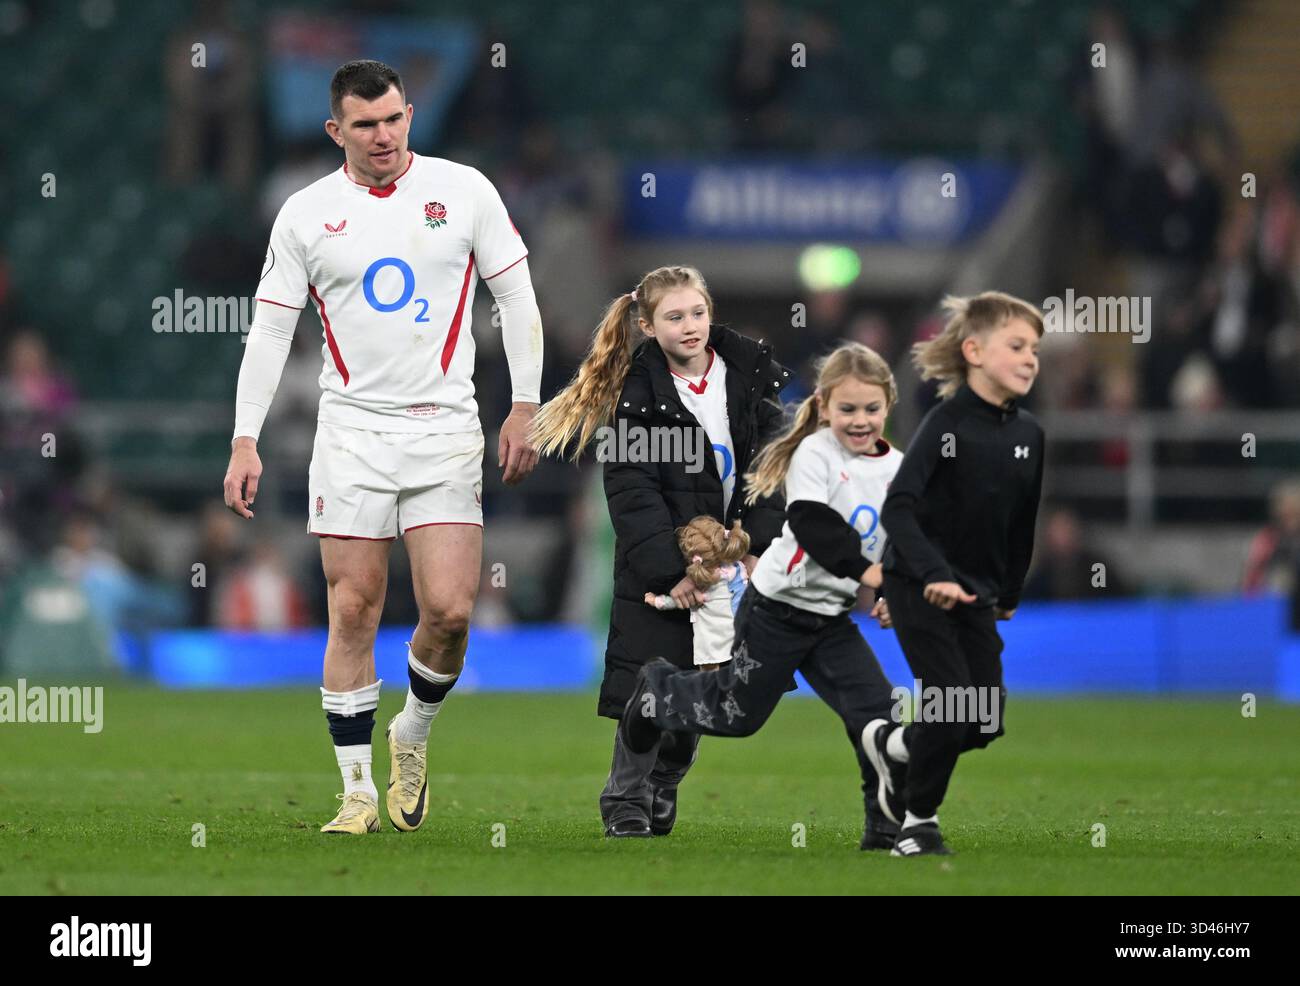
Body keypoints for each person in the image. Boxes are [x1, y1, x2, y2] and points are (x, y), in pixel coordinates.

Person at [222, 60, 543, 835]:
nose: (384, 136)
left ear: (410, 116)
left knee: (450, 610)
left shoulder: (465, 190)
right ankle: (356, 791)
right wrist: (245, 438)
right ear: (337, 131)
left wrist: (527, 403)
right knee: (354, 609)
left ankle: (413, 733)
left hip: (443, 427)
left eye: (394, 118)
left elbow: (517, 296)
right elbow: (269, 329)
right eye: (365, 125)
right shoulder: (304, 213)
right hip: (352, 432)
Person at [610, 343, 904, 851]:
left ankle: (885, 830)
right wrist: (871, 574)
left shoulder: (898, 467)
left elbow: (907, 531)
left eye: (872, 408)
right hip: (778, 610)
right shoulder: (813, 454)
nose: (860, 420)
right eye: (848, 409)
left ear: (889, 406)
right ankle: (657, 694)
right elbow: (814, 526)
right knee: (737, 716)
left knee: (878, 712)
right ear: (825, 406)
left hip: (829, 618)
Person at [529, 266, 790, 837]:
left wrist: (755, 548)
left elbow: (773, 470)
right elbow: (631, 489)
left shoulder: (748, 378)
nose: (691, 326)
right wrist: (674, 570)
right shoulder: (634, 394)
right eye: (674, 317)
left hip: (731, 566)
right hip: (659, 570)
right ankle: (624, 799)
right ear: (647, 326)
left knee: (701, 686)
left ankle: (666, 780)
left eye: (698, 313)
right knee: (649, 682)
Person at [866, 292, 1045, 857]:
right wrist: (931, 575)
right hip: (917, 581)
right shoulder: (945, 423)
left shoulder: (1030, 436)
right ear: (973, 350)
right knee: (949, 703)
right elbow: (898, 508)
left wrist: (1009, 592)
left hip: (975, 593)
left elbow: (1022, 522)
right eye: (1016, 346)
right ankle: (917, 825)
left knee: (983, 719)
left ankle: (895, 746)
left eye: (1034, 350)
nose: (1030, 358)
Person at [645, 516, 752, 671]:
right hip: (736, 632)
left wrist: (657, 601)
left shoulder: (699, 585)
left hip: (708, 640)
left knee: (708, 675)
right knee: (739, 674)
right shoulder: (737, 571)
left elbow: (676, 601)